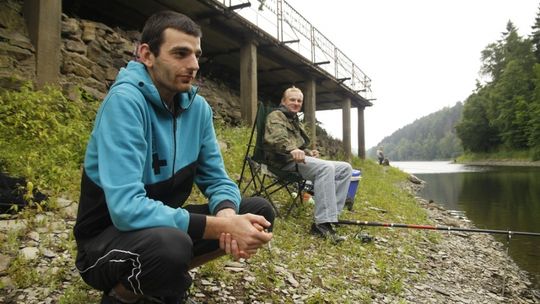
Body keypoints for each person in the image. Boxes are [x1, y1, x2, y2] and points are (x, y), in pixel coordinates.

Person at [73, 11, 274, 304]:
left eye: (196, 54)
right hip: (102, 243)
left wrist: (229, 215)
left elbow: (217, 179)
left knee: (258, 213)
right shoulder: (125, 103)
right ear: (147, 54)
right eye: (180, 53)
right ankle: (122, 295)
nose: (193, 65)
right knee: (171, 244)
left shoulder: (198, 109)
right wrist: (220, 226)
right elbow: (126, 209)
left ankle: (160, 278)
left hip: (159, 231)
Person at [263, 86, 352, 243]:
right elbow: (277, 139)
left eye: (299, 101)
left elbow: (298, 145)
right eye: (292, 100)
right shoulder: (276, 116)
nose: (296, 103)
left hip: (297, 159)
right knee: (326, 168)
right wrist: (293, 149)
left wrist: (308, 152)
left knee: (345, 168)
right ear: (283, 101)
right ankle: (321, 224)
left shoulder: (294, 119)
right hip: (282, 161)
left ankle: (332, 216)